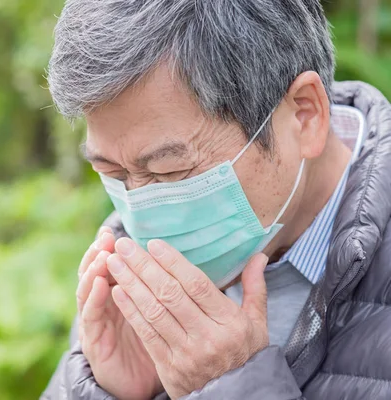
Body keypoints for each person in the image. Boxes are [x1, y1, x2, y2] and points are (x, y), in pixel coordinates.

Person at [42, 1, 391, 399]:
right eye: (114, 174)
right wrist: (107, 391)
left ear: (304, 116)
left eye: (169, 171)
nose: (142, 216)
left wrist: (234, 387)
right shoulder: (131, 273)